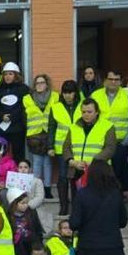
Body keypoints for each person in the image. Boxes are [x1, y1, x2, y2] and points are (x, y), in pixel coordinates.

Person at [91, 70, 128, 191]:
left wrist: (126, 142)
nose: (113, 82)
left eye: (116, 79)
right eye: (110, 79)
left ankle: (118, 203)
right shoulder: (95, 96)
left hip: (121, 144)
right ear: (105, 81)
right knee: (101, 175)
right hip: (100, 144)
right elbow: (89, 117)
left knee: (120, 176)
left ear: (121, 81)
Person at [63, 98, 117, 187]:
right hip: (76, 171)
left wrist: (93, 162)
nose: (86, 115)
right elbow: (66, 147)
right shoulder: (74, 127)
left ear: (97, 112)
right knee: (76, 200)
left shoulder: (107, 126)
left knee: (96, 199)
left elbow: (110, 148)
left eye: (89, 112)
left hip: (99, 171)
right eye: (83, 112)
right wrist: (72, 161)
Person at [48, 80, 82, 216]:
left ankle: (75, 205)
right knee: (62, 177)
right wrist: (50, 146)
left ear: (76, 93)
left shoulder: (82, 106)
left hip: (78, 147)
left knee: (75, 178)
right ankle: (63, 206)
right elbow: (51, 128)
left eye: (71, 92)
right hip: (61, 147)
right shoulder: (56, 107)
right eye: (66, 93)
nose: (68, 96)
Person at [23, 74, 58, 198]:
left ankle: (47, 189)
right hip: (34, 135)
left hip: (49, 133)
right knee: (37, 162)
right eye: (37, 83)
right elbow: (24, 117)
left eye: (42, 82)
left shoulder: (55, 96)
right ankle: (37, 190)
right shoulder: (27, 98)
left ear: (47, 84)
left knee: (48, 163)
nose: (39, 85)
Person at [0, 62, 29, 162]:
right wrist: (1, 116)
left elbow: (24, 106)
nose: (7, 76)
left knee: (18, 154)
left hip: (17, 127)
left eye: (10, 74)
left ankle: (18, 176)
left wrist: (12, 117)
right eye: (5, 74)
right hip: (1, 128)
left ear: (16, 75)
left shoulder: (24, 89)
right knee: (1, 153)